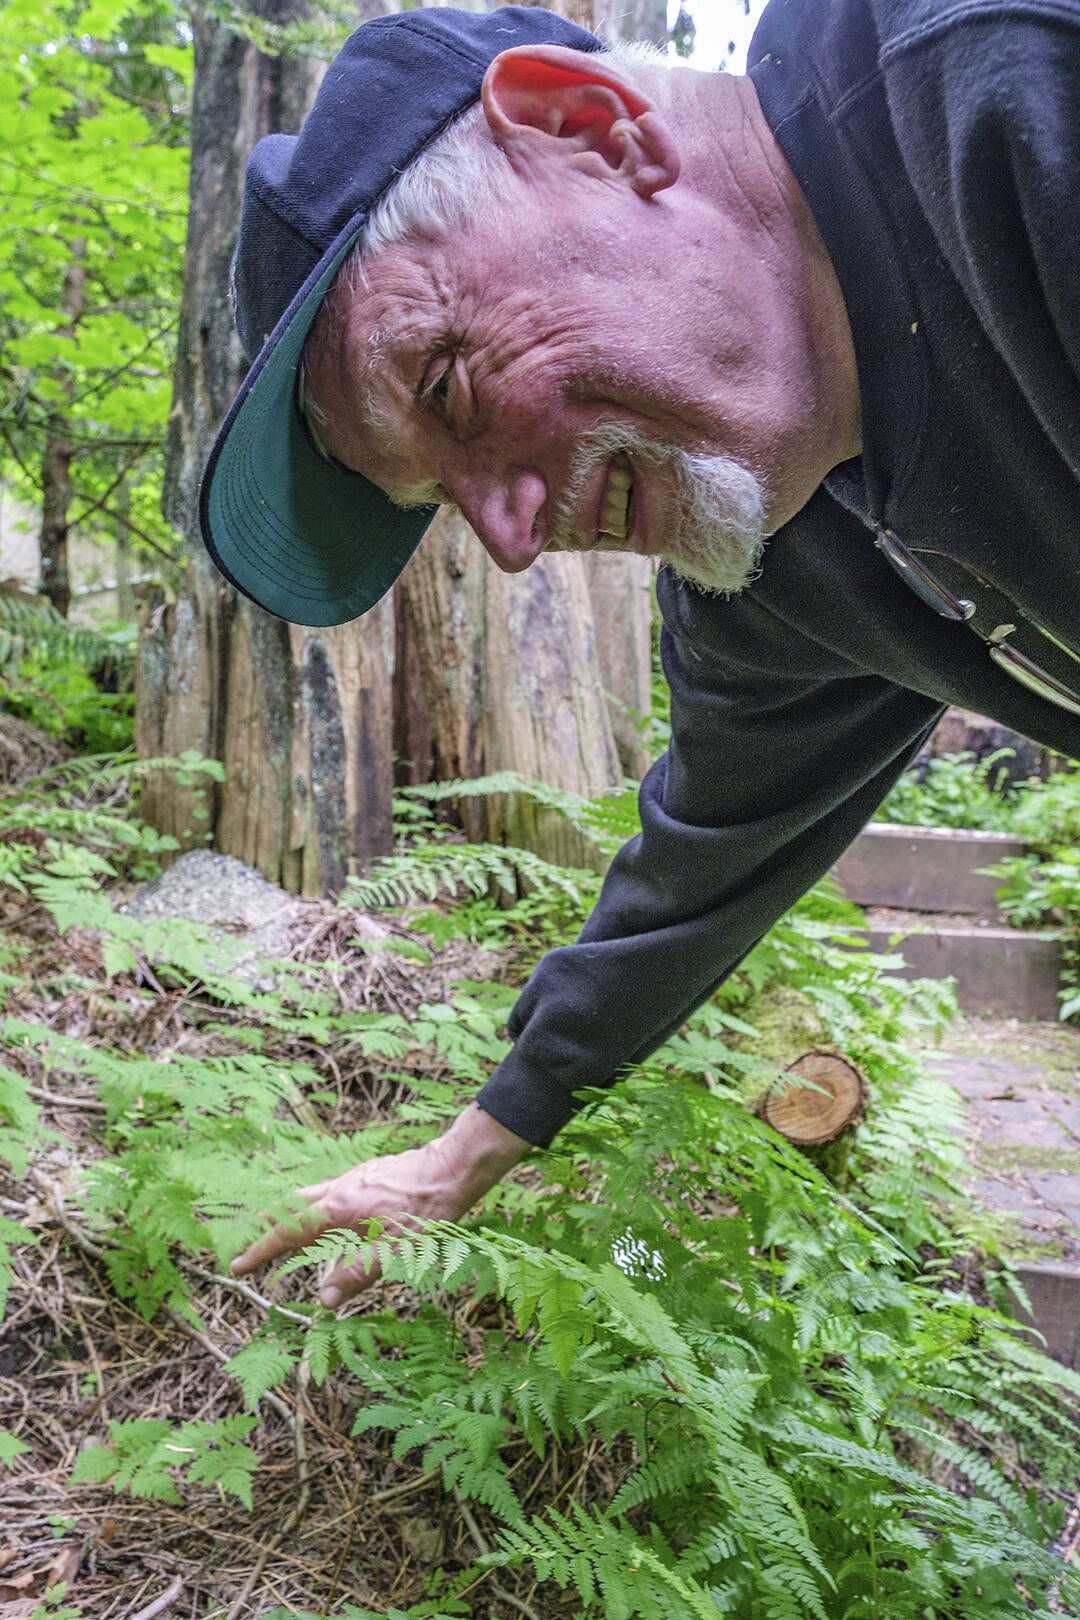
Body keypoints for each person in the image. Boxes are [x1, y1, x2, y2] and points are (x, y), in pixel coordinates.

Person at [202, 0, 1080, 1308]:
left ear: (587, 126)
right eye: (443, 499)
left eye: (450, 386)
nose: (507, 541)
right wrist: (464, 1157)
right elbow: (699, 870)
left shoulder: (1001, 86)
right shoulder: (788, 559)